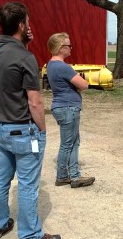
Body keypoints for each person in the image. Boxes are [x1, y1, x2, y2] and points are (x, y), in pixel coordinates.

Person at [0, 2, 60, 239]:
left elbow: (8, 77)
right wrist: (43, 130)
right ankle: (30, 234)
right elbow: (34, 102)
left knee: (1, 177)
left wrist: (24, 44)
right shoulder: (26, 57)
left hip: (0, 127)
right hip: (23, 130)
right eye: (27, 21)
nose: (29, 24)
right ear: (21, 25)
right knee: (27, 184)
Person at [46, 32, 95, 188]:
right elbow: (85, 85)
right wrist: (79, 86)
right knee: (68, 143)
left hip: (62, 106)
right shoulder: (62, 66)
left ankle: (72, 175)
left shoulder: (51, 65)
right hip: (68, 108)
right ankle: (67, 176)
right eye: (69, 46)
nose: (71, 48)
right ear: (61, 48)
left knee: (73, 141)